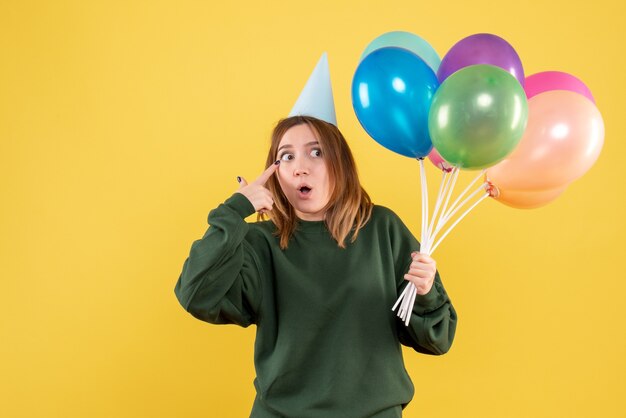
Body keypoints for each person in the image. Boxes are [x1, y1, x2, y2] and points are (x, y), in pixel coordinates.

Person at [174, 54, 457, 418]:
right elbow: (194, 294)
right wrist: (232, 212)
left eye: (316, 152)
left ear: (339, 163)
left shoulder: (383, 229)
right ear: (275, 173)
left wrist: (424, 290)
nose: (300, 166)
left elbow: (438, 338)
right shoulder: (260, 243)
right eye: (286, 157)